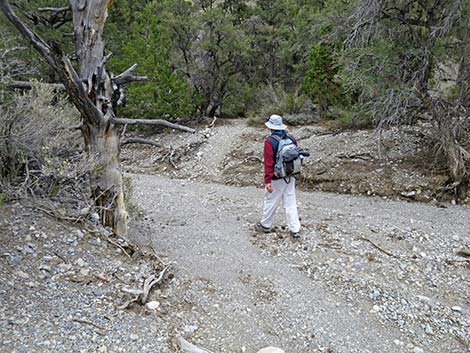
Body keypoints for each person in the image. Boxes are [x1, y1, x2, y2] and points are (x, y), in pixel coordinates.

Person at [255, 114, 301, 238]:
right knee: (290, 201)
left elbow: (269, 163)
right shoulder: (291, 138)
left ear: (270, 127)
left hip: (277, 177)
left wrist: (268, 180)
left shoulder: (270, 141)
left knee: (271, 200)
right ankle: (295, 229)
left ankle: (265, 225)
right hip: (290, 175)